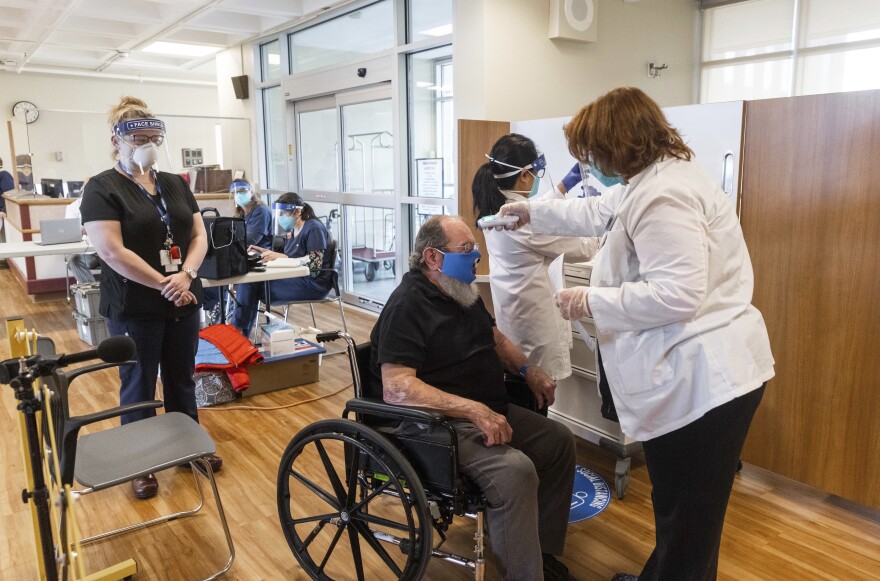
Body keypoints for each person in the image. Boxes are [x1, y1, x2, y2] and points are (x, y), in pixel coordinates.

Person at [495, 87, 775, 581]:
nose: (590, 166)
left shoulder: (665, 193)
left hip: (704, 384)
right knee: (683, 514)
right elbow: (597, 210)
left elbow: (678, 294)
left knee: (688, 520)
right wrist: (532, 210)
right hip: (704, 377)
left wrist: (589, 301)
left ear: (618, 143)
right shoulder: (654, 178)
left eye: (592, 154)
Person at [370, 215, 577, 581]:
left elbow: (496, 340)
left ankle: (541, 553)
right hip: (439, 426)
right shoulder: (407, 306)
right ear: (432, 257)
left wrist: (529, 370)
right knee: (516, 472)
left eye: (474, 249)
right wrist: (472, 409)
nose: (476, 257)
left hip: (488, 408)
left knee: (558, 442)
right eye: (466, 250)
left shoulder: (461, 292)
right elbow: (396, 386)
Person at [80, 96, 221, 501]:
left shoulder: (175, 183)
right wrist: (165, 282)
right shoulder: (102, 187)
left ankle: (188, 447)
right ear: (116, 140)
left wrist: (187, 275)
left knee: (181, 377)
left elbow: (198, 234)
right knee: (139, 383)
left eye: (153, 137)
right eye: (139, 137)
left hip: (183, 299)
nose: (147, 144)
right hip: (136, 305)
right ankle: (142, 462)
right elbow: (111, 251)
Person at [474, 133, 599, 384]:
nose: (535, 180)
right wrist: (597, 221)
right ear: (524, 174)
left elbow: (533, 209)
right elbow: (582, 249)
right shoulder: (524, 223)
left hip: (514, 317)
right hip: (536, 325)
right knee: (539, 393)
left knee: (522, 389)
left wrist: (563, 186)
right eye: (535, 174)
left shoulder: (497, 207)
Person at [230, 192, 332, 338]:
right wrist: (265, 251)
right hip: (294, 278)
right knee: (249, 284)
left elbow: (314, 267)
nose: (281, 217)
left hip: (312, 284)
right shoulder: (292, 230)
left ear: (297, 211)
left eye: (284, 213)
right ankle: (239, 335)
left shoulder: (313, 228)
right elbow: (291, 257)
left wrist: (281, 257)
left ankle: (238, 335)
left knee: (249, 288)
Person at [202, 179, 273, 322]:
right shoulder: (240, 214)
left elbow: (251, 240)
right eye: (235, 192)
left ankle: (227, 314)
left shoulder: (261, 212)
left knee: (221, 273)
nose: (238, 195)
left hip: (258, 257)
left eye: (242, 191)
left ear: (251, 192)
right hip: (240, 256)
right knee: (207, 272)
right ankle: (218, 308)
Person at [64, 177, 101, 284]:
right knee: (74, 261)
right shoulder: (73, 207)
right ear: (83, 189)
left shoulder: (106, 205)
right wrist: (83, 229)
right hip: (88, 253)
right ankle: (92, 293)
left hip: (106, 250)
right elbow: (70, 233)